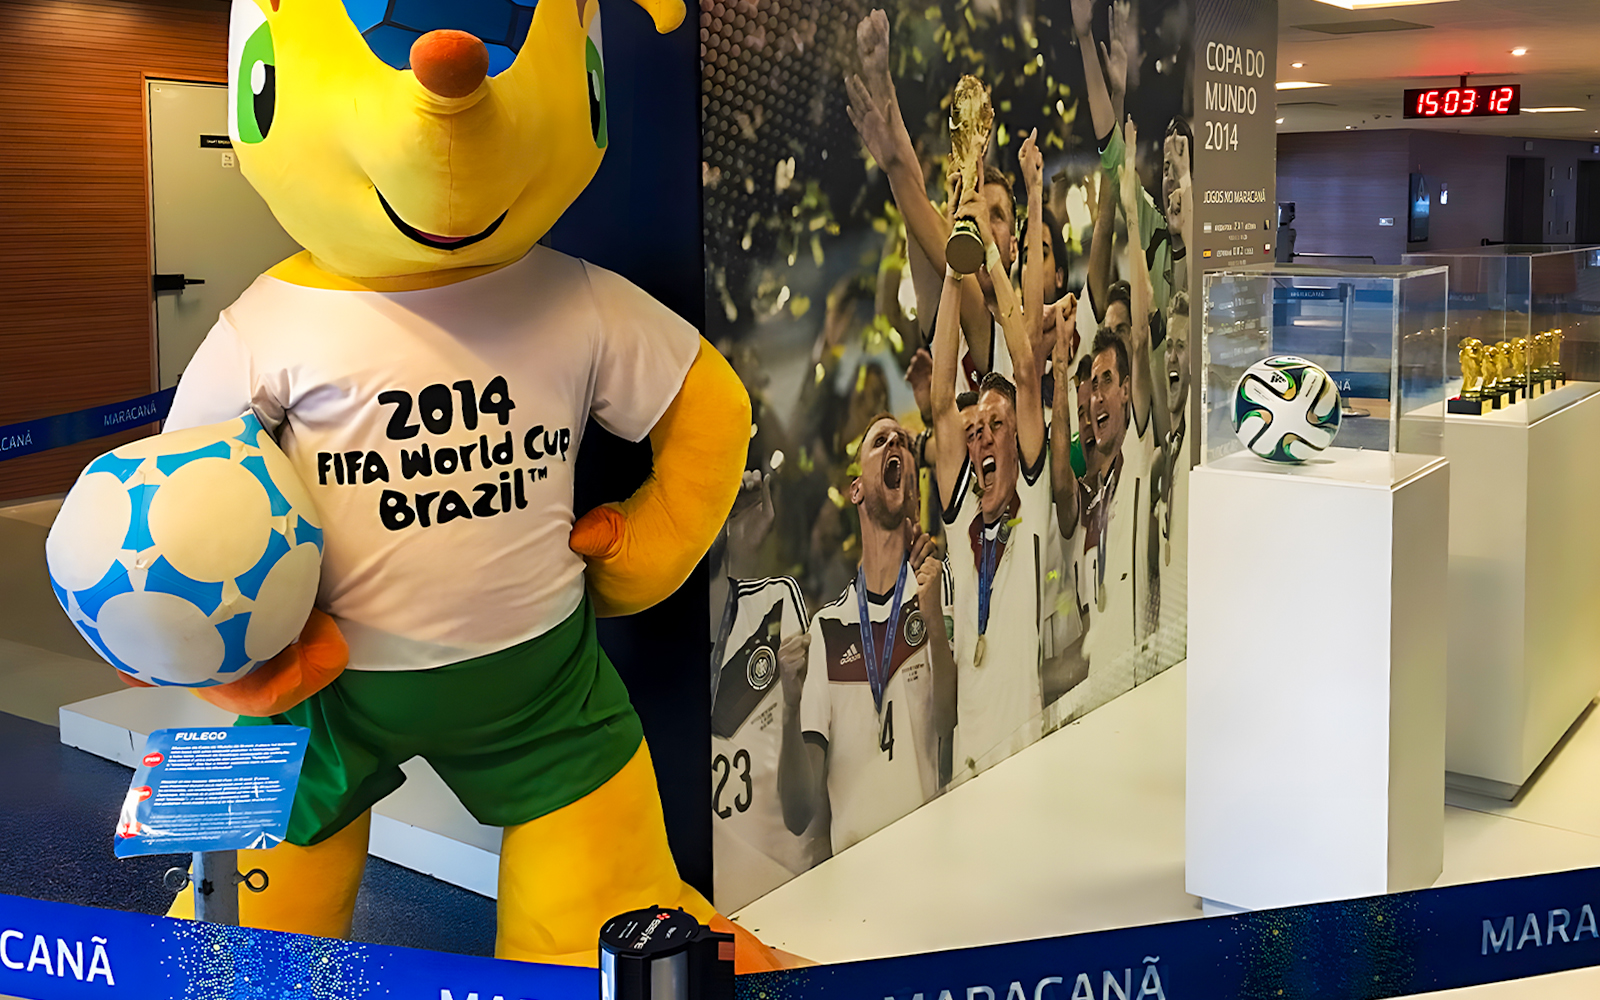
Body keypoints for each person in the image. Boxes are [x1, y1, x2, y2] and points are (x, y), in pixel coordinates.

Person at [929, 135, 1053, 779]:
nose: (981, 437)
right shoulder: (959, 522)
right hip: (966, 771)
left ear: (1019, 438)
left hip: (1026, 758)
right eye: (977, 429)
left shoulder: (1030, 499)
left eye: (997, 425)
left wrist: (992, 261)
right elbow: (941, 398)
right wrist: (956, 264)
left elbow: (1025, 366)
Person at [776, 416, 955, 853]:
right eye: (880, 441)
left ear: (912, 488)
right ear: (856, 490)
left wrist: (933, 622)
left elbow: (949, 721)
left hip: (930, 857)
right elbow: (798, 812)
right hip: (857, 889)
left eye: (902, 442)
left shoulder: (938, 587)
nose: (895, 442)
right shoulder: (827, 629)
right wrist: (789, 706)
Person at [709, 472, 828, 911]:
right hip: (714, 915)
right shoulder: (661, 656)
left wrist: (740, 543)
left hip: (789, 892)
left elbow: (801, 811)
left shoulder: (779, 600)